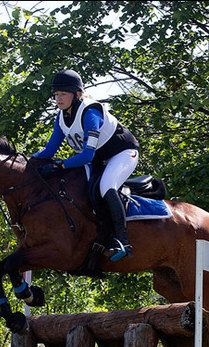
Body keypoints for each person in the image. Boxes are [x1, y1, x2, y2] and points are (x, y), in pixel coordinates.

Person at [33, 69, 140, 261]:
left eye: (63, 94)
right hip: (98, 159)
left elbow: (86, 155)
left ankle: (123, 242)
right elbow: (49, 151)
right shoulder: (61, 117)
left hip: (122, 153)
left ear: (78, 94)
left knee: (107, 186)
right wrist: (26, 162)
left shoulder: (90, 113)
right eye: (56, 94)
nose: (58, 99)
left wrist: (59, 165)